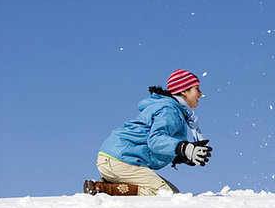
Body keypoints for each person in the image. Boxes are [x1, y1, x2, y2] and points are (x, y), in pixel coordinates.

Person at [83, 69, 213, 196]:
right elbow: (156, 140)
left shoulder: (171, 109)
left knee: (174, 194)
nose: (201, 94)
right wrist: (184, 148)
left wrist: (183, 156)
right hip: (121, 159)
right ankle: (104, 190)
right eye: (197, 89)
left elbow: (156, 144)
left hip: (115, 158)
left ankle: (110, 187)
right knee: (166, 195)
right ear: (184, 90)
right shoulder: (169, 110)